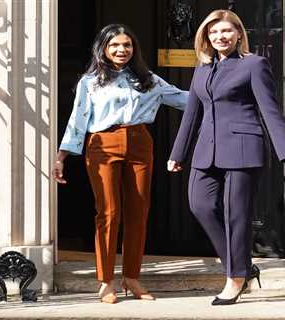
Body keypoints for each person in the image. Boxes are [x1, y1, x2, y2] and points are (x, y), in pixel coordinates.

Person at [167, 10, 285, 306]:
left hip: (244, 148)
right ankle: (242, 265)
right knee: (200, 205)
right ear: (206, 38)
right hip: (206, 150)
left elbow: (270, 110)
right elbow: (192, 115)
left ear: (239, 33)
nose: (220, 37)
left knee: (235, 215)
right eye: (213, 33)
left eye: (226, 31)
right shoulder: (202, 68)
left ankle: (235, 278)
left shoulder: (254, 65)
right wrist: (178, 153)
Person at [52, 24, 188, 304]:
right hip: (102, 144)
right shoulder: (91, 82)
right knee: (109, 213)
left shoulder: (148, 79)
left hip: (139, 141)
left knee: (139, 210)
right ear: (103, 48)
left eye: (127, 45)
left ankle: (132, 277)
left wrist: (221, 94)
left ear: (133, 49)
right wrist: (62, 156)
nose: (121, 50)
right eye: (114, 45)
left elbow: (184, 99)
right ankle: (106, 282)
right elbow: (78, 119)